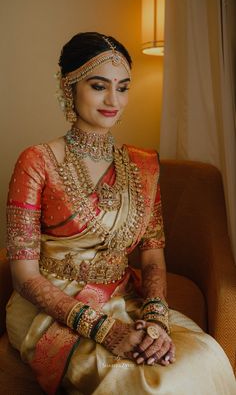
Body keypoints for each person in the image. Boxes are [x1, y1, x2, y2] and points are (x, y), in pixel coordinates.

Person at [5, 32, 236, 395]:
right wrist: (106, 331)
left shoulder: (143, 165)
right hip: (50, 311)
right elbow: (23, 276)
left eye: (123, 87)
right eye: (99, 86)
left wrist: (156, 318)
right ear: (69, 87)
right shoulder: (37, 161)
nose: (114, 100)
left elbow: (153, 253)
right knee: (142, 379)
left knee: (205, 357)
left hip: (124, 298)